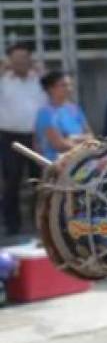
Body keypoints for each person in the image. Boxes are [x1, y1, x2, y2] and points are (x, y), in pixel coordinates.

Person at [0, 42, 47, 236]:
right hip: (9, 136)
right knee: (12, 179)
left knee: (39, 180)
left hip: (35, 135)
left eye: (24, 58)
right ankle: (12, 225)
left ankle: (38, 223)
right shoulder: (3, 80)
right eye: (16, 59)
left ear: (30, 59)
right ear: (10, 61)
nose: (20, 62)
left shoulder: (38, 80)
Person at [35, 71, 91, 162]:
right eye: (63, 85)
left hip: (81, 161)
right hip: (58, 165)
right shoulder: (45, 113)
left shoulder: (75, 108)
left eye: (70, 85)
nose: (68, 88)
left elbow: (90, 136)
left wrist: (72, 138)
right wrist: (83, 145)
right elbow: (59, 145)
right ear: (51, 89)